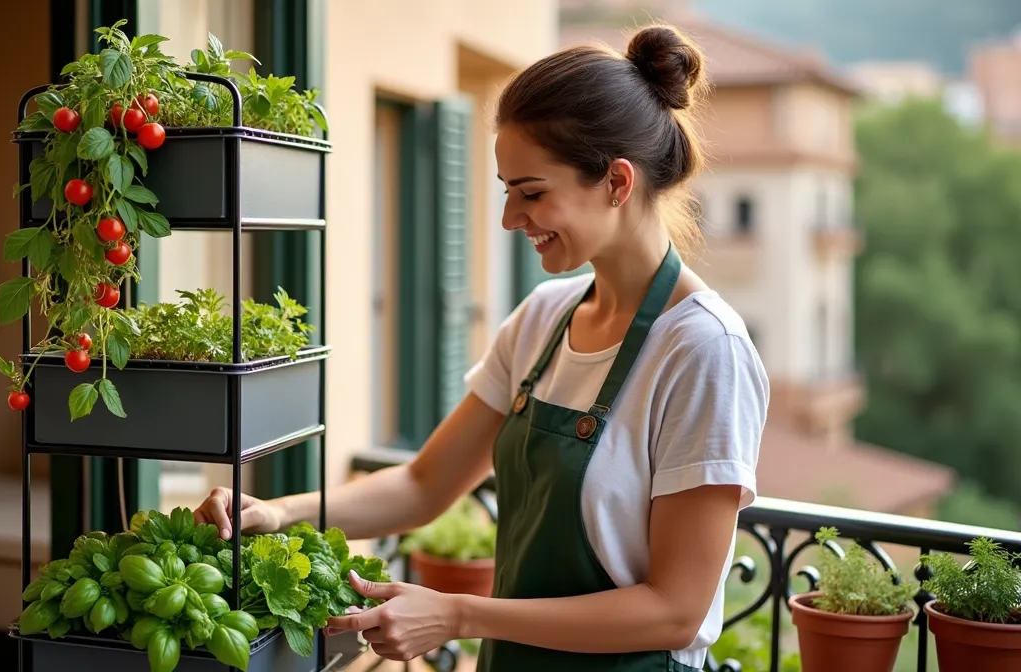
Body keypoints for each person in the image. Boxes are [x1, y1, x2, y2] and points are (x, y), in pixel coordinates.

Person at [193, 23, 768, 672]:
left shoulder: (702, 352)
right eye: (506, 192)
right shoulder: (544, 320)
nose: (509, 220)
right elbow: (423, 483)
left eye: (532, 193)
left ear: (617, 183)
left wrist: (457, 612)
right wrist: (277, 512)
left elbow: (675, 611)